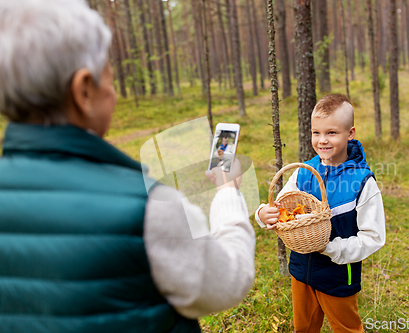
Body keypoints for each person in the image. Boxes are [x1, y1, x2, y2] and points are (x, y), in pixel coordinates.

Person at [0, 1, 255, 332]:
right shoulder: (149, 208)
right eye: (109, 77)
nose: (115, 94)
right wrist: (226, 193)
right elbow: (228, 282)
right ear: (83, 91)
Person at [255, 94, 386, 333]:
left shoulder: (361, 182)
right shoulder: (304, 172)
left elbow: (374, 237)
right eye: (316, 133)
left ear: (350, 133)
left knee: (347, 329)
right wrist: (263, 214)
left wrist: (331, 248)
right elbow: (280, 206)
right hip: (301, 271)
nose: (322, 140)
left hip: (337, 276)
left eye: (332, 133)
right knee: (303, 328)